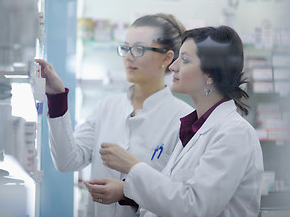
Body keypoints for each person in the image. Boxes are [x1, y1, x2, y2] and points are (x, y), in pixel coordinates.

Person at [85, 26, 264, 217]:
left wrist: (133, 166)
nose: (173, 66)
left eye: (185, 60)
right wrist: (126, 192)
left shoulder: (234, 133)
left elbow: (195, 207)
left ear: (210, 74)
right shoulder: (194, 128)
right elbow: (173, 196)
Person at [35, 13, 193, 217]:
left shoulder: (184, 119)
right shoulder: (107, 107)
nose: (128, 56)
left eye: (138, 49)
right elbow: (67, 161)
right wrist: (56, 97)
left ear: (167, 57)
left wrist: (128, 193)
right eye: (126, 48)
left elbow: (180, 200)